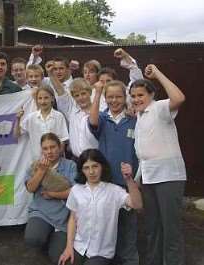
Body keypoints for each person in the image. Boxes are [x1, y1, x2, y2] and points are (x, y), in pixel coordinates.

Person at [130, 64, 186, 265]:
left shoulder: (160, 108)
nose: (137, 99)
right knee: (153, 227)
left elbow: (179, 98)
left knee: (171, 228)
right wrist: (136, 179)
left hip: (169, 176)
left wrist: (158, 75)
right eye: (134, 96)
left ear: (151, 94)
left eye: (141, 95)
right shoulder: (139, 117)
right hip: (148, 177)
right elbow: (142, 154)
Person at [58, 149, 143, 265]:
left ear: (102, 167)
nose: (91, 172)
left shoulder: (114, 191)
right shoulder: (76, 190)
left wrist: (129, 180)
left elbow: (137, 204)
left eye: (95, 166)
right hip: (79, 247)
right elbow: (73, 219)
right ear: (81, 170)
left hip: (101, 252)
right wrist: (68, 247)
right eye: (86, 168)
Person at [89, 80, 139, 265]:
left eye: (118, 96)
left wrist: (136, 178)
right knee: (108, 225)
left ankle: (130, 260)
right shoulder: (101, 118)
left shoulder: (134, 119)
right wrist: (97, 92)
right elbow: (92, 121)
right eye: (110, 97)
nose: (114, 100)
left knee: (128, 225)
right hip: (106, 182)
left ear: (125, 97)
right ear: (105, 98)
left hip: (128, 182)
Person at [24, 133, 77, 264]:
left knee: (58, 257)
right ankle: (44, 236)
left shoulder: (70, 165)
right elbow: (30, 188)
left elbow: (75, 192)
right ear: (42, 150)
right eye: (45, 148)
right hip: (41, 211)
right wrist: (41, 171)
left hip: (63, 216)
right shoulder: (35, 165)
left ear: (60, 147)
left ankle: (53, 237)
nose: (49, 151)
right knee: (33, 239)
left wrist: (53, 195)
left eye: (53, 147)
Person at [15, 86, 69, 160]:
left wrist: (56, 158)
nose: (43, 101)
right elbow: (16, 135)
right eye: (40, 98)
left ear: (52, 98)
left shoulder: (59, 116)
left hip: (56, 161)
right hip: (38, 161)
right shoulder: (31, 117)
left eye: (46, 98)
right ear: (36, 100)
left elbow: (63, 140)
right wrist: (18, 119)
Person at [53, 77, 99, 160]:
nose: (81, 98)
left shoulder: (99, 112)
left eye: (83, 93)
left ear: (90, 93)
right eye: (77, 95)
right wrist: (51, 74)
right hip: (76, 160)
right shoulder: (71, 111)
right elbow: (60, 92)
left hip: (95, 159)